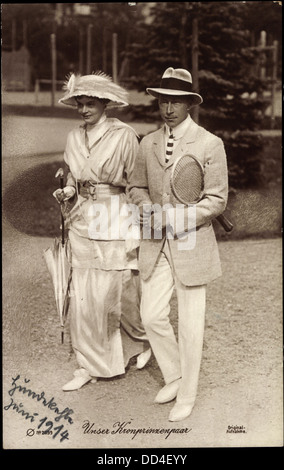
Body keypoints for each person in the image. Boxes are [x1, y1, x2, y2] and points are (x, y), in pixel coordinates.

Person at [129, 67, 228, 421]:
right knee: (151, 314)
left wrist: (173, 218)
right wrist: (147, 208)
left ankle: (187, 394)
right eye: (163, 101)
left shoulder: (209, 143)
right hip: (155, 241)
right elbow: (136, 187)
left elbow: (216, 200)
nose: (168, 108)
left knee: (190, 322)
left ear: (189, 104)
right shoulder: (148, 142)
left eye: (176, 101)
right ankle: (174, 374)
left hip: (191, 242)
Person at [54, 71, 151, 391]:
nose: (84, 110)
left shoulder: (123, 135)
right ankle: (90, 363)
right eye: (80, 104)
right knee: (82, 294)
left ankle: (140, 341)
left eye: (90, 103)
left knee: (117, 292)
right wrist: (68, 191)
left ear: (105, 103)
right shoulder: (72, 137)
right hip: (82, 219)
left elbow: (135, 180)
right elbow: (73, 176)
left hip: (113, 217)